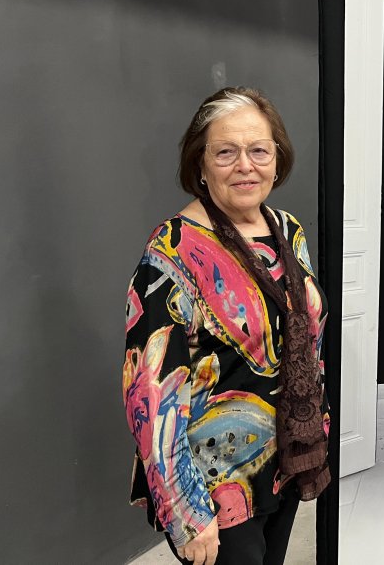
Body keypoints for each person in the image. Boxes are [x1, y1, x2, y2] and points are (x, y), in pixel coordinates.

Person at [122, 87, 330, 565]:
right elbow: (151, 394)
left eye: (259, 150)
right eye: (225, 152)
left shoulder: (286, 229)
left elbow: (303, 339)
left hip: (286, 458)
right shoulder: (173, 250)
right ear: (200, 164)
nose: (245, 165)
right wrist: (187, 514)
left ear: (277, 158)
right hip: (213, 484)